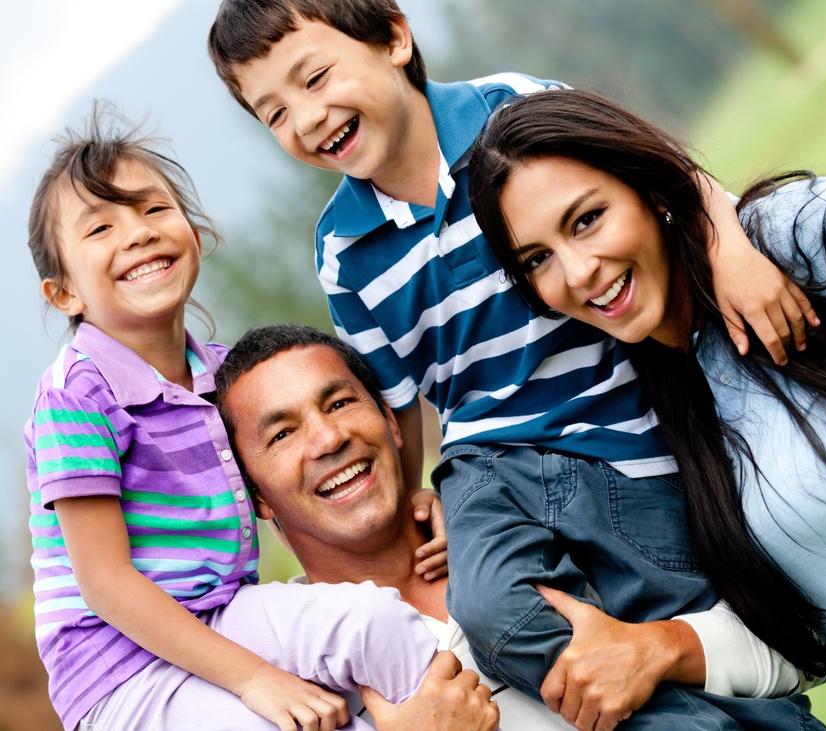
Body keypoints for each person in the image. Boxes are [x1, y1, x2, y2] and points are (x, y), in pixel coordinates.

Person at [208, 3, 826, 724]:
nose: (306, 119)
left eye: (313, 79)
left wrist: (733, 252)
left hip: (620, 435)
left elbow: (671, 177)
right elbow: (396, 401)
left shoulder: (515, 110)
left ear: (393, 38)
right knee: (494, 613)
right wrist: (414, 498)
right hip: (487, 464)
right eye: (274, 113)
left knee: (686, 610)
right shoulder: (344, 254)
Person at [467, 87, 826, 731]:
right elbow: (804, 640)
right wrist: (658, 647)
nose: (579, 271)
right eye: (538, 258)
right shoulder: (661, 410)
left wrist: (726, 226)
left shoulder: (791, 237)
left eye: (587, 219)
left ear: (648, 189)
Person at [24, 105, 499, 731]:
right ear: (65, 293)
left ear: (195, 235)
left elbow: (287, 484)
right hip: (121, 669)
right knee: (305, 719)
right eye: (100, 229)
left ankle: (466, 714)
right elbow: (106, 584)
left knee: (374, 621)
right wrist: (258, 679)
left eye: (152, 209)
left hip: (218, 615)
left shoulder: (218, 378)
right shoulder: (76, 395)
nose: (136, 233)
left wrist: (418, 498)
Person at [214, 324, 826, 731]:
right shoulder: (283, 666)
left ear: (393, 423)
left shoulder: (532, 507)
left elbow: (797, 649)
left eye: (340, 402)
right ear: (257, 498)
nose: (328, 438)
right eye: (282, 433)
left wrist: (661, 651)